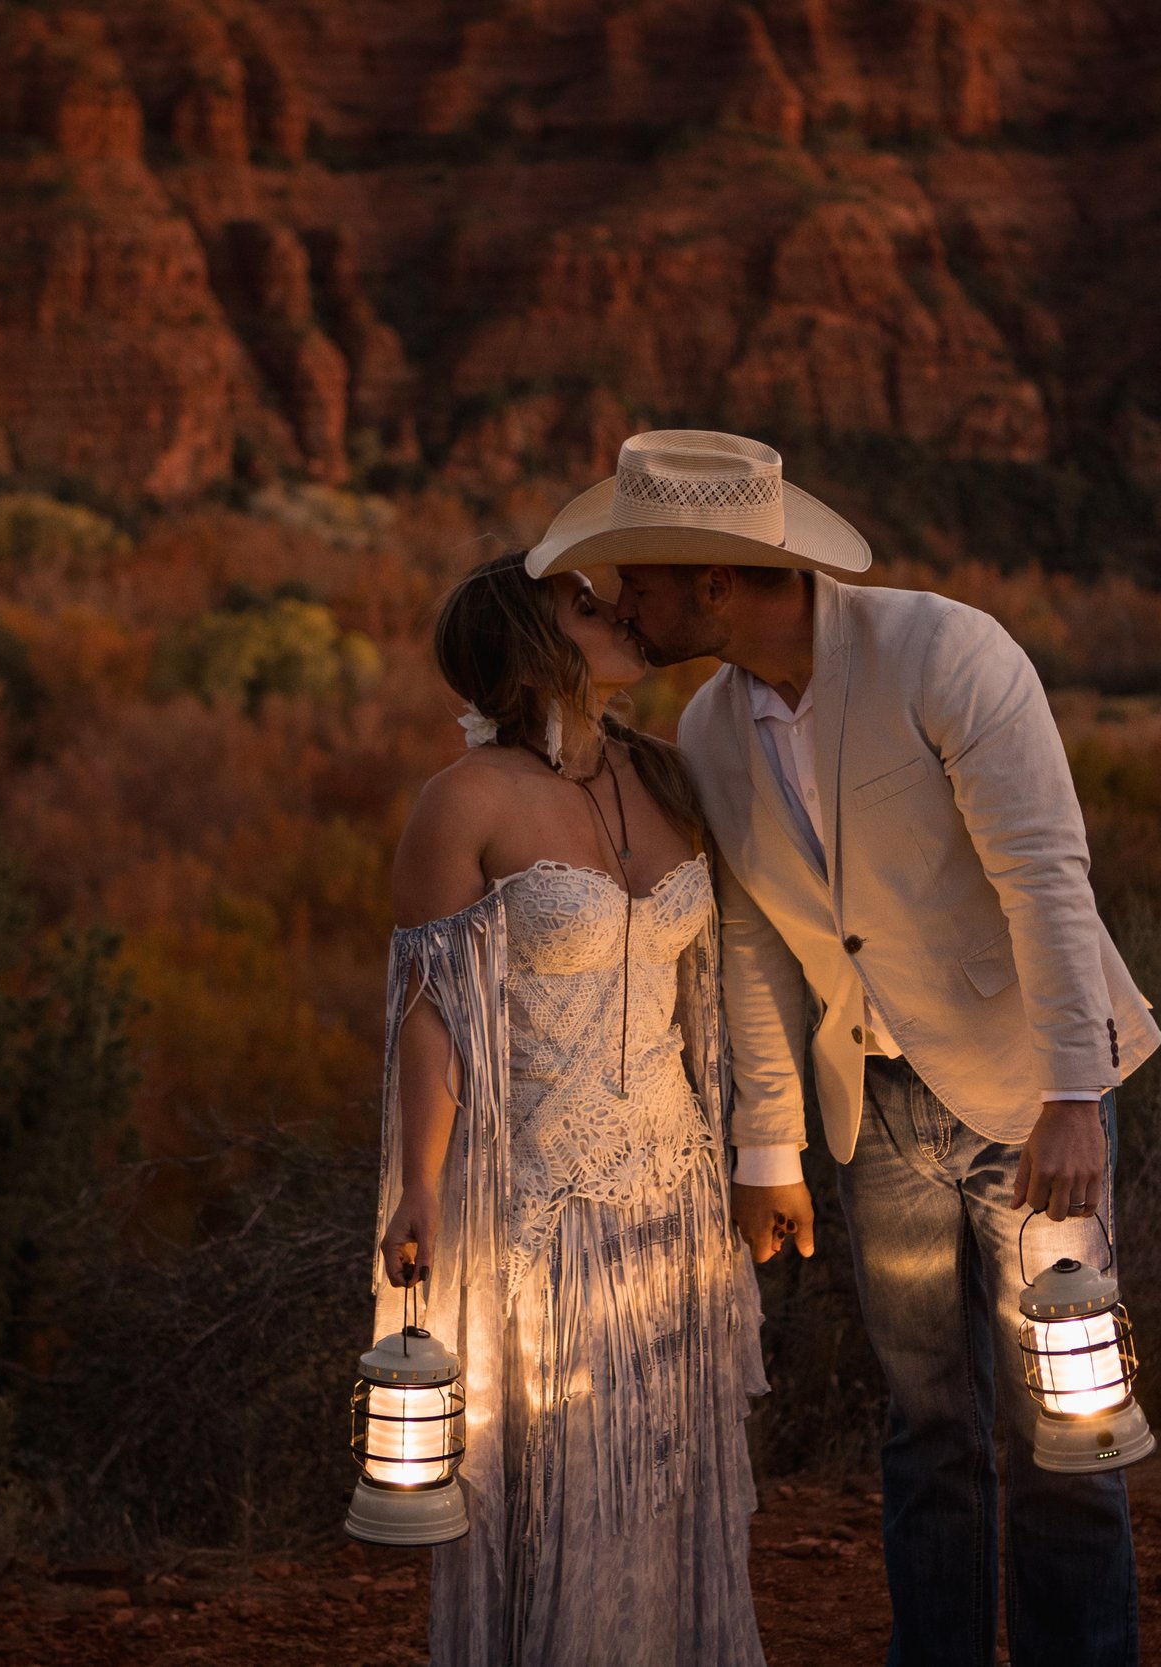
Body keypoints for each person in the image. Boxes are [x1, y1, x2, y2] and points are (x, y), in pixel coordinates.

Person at [532, 429, 1161, 1667]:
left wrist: (1075, 1093)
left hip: (1024, 1095)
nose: (622, 606)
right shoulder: (712, 728)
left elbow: (1046, 877)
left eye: (641, 581)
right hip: (871, 1114)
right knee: (924, 1425)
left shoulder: (947, 651)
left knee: (1066, 1418)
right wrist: (768, 1145)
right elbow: (760, 944)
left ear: (716, 580)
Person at [371, 549, 767, 1667]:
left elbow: (718, 988)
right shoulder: (467, 800)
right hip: (546, 1210)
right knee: (564, 1485)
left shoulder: (668, 776)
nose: (621, 614)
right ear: (532, 643)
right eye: (586, 607)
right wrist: (420, 1182)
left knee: (663, 1474)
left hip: (675, 1195)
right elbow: (430, 1010)